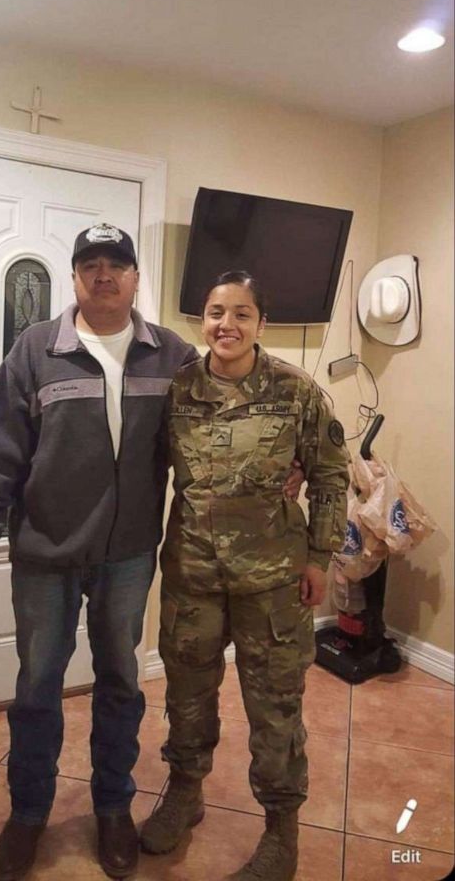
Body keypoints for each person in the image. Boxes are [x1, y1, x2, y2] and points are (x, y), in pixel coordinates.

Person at [0, 225, 305, 881]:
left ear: (136, 279)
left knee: (121, 682)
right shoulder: (36, 350)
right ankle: (28, 812)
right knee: (37, 688)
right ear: (75, 279)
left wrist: (290, 462)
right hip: (46, 556)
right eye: (90, 264)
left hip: (128, 558)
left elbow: (229, 410)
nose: (104, 275)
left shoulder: (169, 354)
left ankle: (113, 807)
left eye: (117, 265)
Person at [140, 270, 350, 881]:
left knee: (276, 710)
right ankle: (185, 792)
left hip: (274, 584)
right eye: (214, 312)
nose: (225, 325)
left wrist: (319, 556)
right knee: (187, 699)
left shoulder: (296, 391)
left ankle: (281, 832)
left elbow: (333, 475)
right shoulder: (176, 390)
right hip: (193, 577)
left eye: (241, 313)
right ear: (200, 321)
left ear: (261, 322)